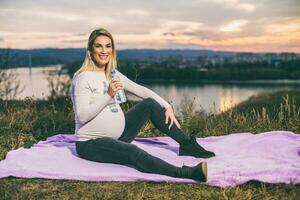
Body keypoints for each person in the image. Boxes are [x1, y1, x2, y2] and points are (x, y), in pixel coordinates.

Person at [70, 28, 215, 182]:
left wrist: (167, 106)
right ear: (90, 50)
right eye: (99, 46)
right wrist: (108, 95)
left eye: (108, 46)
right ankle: (186, 173)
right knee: (132, 152)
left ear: (113, 49)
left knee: (150, 104)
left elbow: (141, 91)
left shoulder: (112, 73)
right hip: (91, 144)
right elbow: (82, 116)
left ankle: (187, 144)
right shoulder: (83, 78)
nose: (104, 51)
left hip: (118, 137)